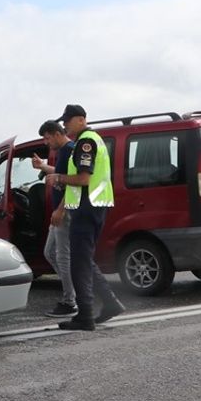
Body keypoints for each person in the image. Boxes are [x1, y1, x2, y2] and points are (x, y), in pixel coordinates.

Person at [45, 104, 125, 330]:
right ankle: (109, 303)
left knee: (79, 263)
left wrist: (58, 178)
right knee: (83, 260)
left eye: (68, 120)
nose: (65, 124)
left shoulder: (85, 142)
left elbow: (83, 179)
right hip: (92, 206)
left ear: (81, 119)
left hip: (87, 207)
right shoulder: (91, 140)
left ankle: (85, 316)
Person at [32, 120, 77, 318]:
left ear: (57, 134)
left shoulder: (69, 150)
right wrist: (43, 166)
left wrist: (61, 210)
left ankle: (70, 301)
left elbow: (74, 183)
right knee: (49, 252)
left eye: (48, 138)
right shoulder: (62, 152)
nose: (46, 143)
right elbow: (61, 174)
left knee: (61, 256)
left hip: (65, 212)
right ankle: (74, 291)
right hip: (59, 212)